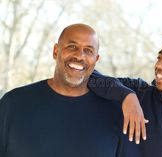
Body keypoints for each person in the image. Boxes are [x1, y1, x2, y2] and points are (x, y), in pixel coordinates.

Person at [0, 23, 141, 157]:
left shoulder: (117, 115)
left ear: (96, 59)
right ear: (56, 51)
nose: (80, 56)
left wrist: (129, 95)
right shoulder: (13, 103)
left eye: (88, 50)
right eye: (72, 46)